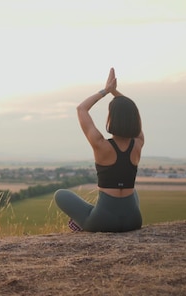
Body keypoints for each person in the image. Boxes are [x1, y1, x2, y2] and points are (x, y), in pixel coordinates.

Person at [54, 67, 144, 232]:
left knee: (60, 194)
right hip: (134, 220)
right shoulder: (138, 143)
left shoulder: (101, 144)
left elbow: (81, 109)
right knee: (133, 192)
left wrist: (106, 91)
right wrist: (116, 93)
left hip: (103, 221)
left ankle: (81, 223)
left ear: (111, 118)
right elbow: (132, 110)